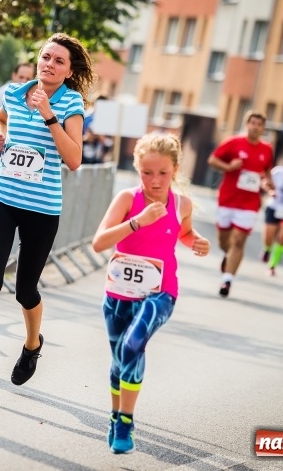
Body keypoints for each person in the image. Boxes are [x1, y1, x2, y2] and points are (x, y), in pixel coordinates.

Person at [0, 33, 94, 392]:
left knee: (25, 290)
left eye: (58, 61)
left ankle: (33, 344)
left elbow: (75, 159)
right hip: (2, 196)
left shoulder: (71, 103)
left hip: (41, 208)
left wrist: (50, 116)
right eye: (46, 57)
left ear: (68, 71)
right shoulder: (14, 93)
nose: (49, 64)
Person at [91, 133, 210, 454]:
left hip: (160, 293)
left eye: (163, 173)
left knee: (133, 346)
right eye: (147, 172)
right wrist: (137, 222)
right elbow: (99, 242)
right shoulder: (128, 200)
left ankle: (126, 422)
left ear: (175, 170)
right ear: (137, 168)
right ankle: (116, 417)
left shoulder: (181, 203)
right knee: (119, 361)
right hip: (118, 294)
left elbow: (182, 232)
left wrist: (196, 241)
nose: (154, 181)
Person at [207, 111, 273, 297]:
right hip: (227, 199)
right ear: (247, 125)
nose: (255, 127)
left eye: (259, 124)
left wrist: (268, 183)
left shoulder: (267, 149)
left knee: (239, 240)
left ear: (263, 128)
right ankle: (227, 256)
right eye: (252, 123)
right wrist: (228, 167)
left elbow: (267, 171)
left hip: (249, 204)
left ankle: (227, 280)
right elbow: (212, 160)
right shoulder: (233, 142)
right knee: (224, 241)